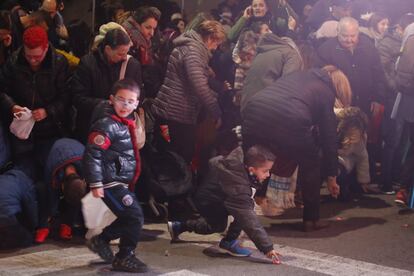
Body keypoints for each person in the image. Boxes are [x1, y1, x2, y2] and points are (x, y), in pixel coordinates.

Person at [242, 65, 352, 231]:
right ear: (338, 86)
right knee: (311, 164)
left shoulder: (299, 75)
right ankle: (311, 220)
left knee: (253, 162)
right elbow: (328, 138)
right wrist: (331, 176)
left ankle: (238, 209)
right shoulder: (325, 91)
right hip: (288, 118)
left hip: (254, 110)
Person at [0, 26, 71, 243]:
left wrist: (48, 111)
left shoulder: (59, 63)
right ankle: (34, 220)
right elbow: (2, 91)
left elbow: (67, 97)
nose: (32, 60)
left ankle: (53, 218)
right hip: (22, 134)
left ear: (47, 47)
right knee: (26, 173)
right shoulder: (13, 61)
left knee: (51, 174)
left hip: (51, 130)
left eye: (37, 56)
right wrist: (12, 107)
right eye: (29, 56)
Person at [167, 145, 281, 263]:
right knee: (219, 224)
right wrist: (267, 248)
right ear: (251, 169)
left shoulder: (237, 164)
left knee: (246, 207)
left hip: (216, 195)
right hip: (208, 200)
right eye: (265, 171)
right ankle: (180, 226)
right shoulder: (237, 183)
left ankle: (227, 241)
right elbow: (248, 219)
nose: (268, 175)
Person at [84, 79, 147, 273]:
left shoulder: (124, 123)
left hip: (119, 181)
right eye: (121, 99)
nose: (125, 105)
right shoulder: (107, 125)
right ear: (112, 100)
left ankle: (101, 240)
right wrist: (96, 183)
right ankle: (125, 256)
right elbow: (93, 153)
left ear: (136, 104)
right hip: (109, 182)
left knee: (130, 217)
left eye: (130, 101)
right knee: (134, 217)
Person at [152, 20, 226, 164]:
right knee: (176, 160)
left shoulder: (188, 46)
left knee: (166, 156)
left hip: (170, 111)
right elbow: (199, 85)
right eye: (216, 43)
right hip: (176, 113)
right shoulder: (194, 50)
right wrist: (215, 111)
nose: (215, 48)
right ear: (210, 38)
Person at [71, 28, 142, 143]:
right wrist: (107, 104)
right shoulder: (88, 64)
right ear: (108, 49)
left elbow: (139, 96)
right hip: (92, 127)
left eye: (126, 53)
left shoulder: (132, 65)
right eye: (120, 53)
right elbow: (78, 98)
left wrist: (125, 105)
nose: (124, 57)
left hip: (120, 130)